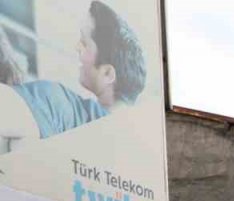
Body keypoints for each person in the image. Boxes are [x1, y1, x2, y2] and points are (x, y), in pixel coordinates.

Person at [0, 0, 148, 143]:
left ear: (108, 74)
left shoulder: (61, 107)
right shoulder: (134, 146)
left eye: (84, 44)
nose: (77, 47)